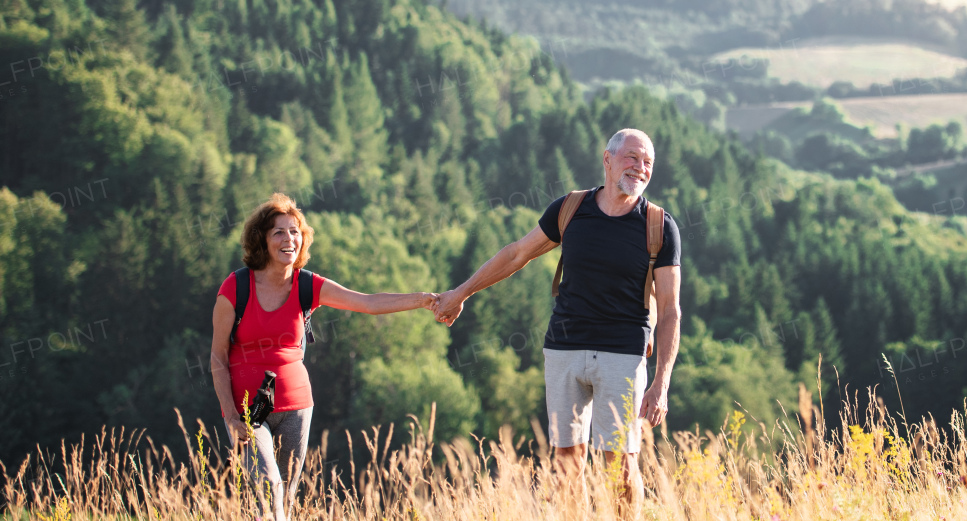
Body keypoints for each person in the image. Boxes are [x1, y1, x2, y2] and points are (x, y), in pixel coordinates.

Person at [430, 128, 682, 514]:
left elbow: (670, 310)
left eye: (648, 162)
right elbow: (517, 254)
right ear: (608, 159)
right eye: (632, 157)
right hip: (563, 350)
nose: (640, 168)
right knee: (566, 462)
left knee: (621, 465)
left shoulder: (658, 226)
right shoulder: (570, 209)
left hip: (623, 356)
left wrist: (662, 383)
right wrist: (460, 293)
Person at [209, 193, 436, 521]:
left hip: (297, 405)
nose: (289, 239)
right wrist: (230, 415)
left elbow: (369, 303)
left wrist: (424, 300)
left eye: (295, 231)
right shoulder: (236, 287)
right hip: (248, 408)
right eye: (279, 232)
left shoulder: (307, 285)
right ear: (261, 240)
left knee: (283, 499)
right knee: (267, 487)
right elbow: (217, 357)